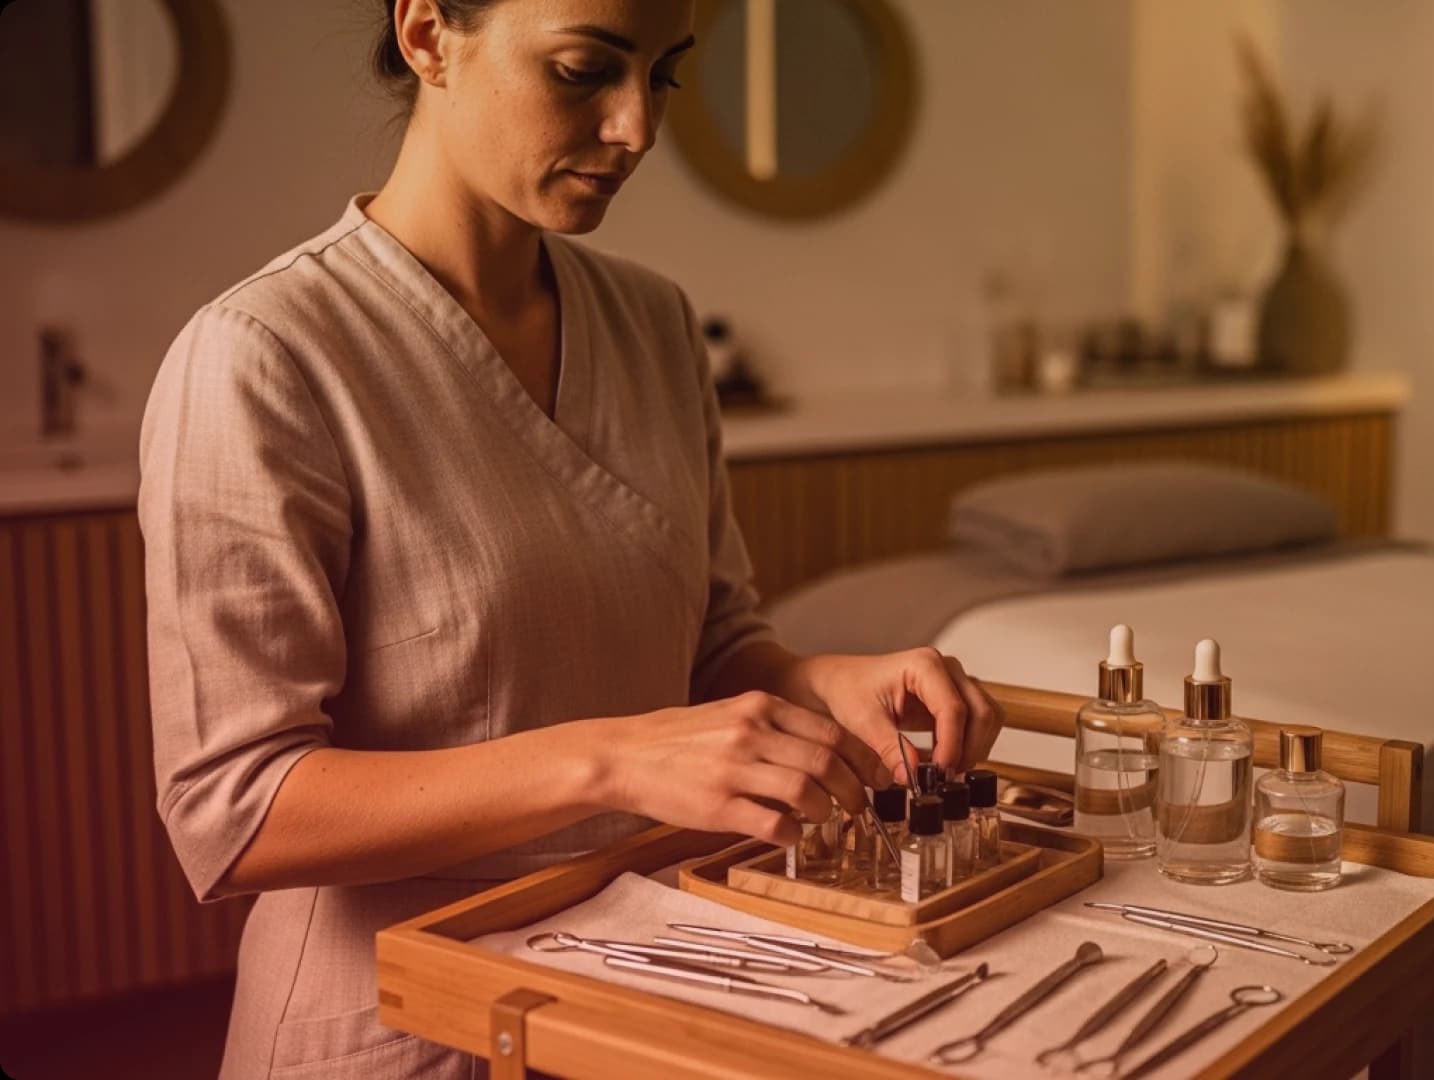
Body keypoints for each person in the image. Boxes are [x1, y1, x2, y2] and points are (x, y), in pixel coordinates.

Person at [138, 2, 1001, 1076]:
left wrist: (827, 680)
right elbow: (236, 813)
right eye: (584, 70)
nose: (637, 126)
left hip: (647, 989)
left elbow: (714, 640)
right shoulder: (264, 357)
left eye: (664, 75)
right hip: (402, 1020)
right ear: (425, 34)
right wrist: (610, 758)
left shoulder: (656, 326)